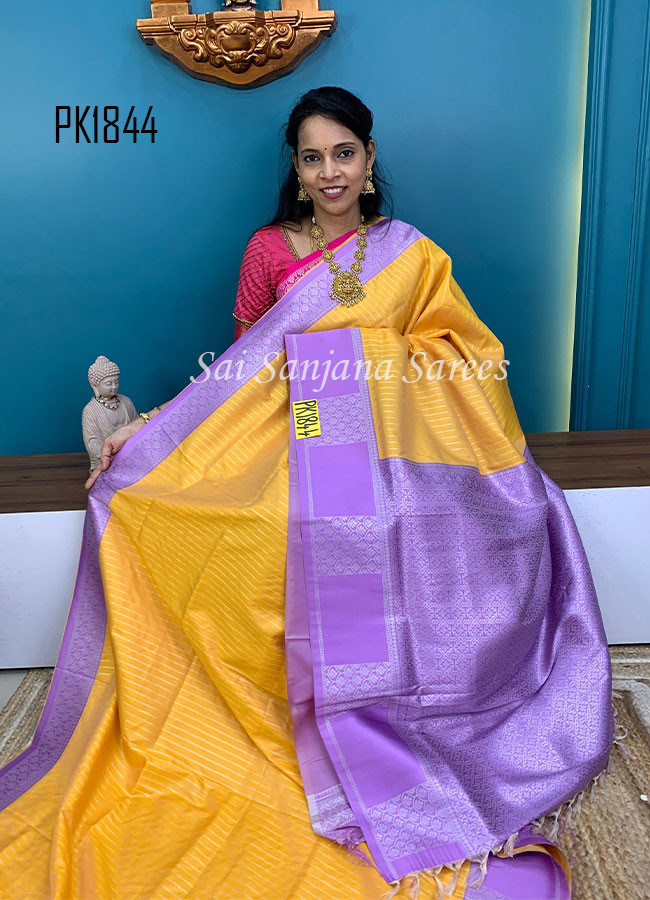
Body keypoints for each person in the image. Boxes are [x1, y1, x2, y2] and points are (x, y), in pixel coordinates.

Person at [1, 87, 624, 900]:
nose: (330, 172)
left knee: (435, 519)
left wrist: (359, 369)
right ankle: (237, 708)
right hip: (282, 437)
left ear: (369, 161)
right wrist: (149, 428)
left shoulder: (410, 255)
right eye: (312, 158)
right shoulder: (269, 250)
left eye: (344, 154)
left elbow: (465, 357)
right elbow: (236, 371)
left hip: (386, 450)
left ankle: (388, 716)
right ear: (295, 172)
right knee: (207, 518)